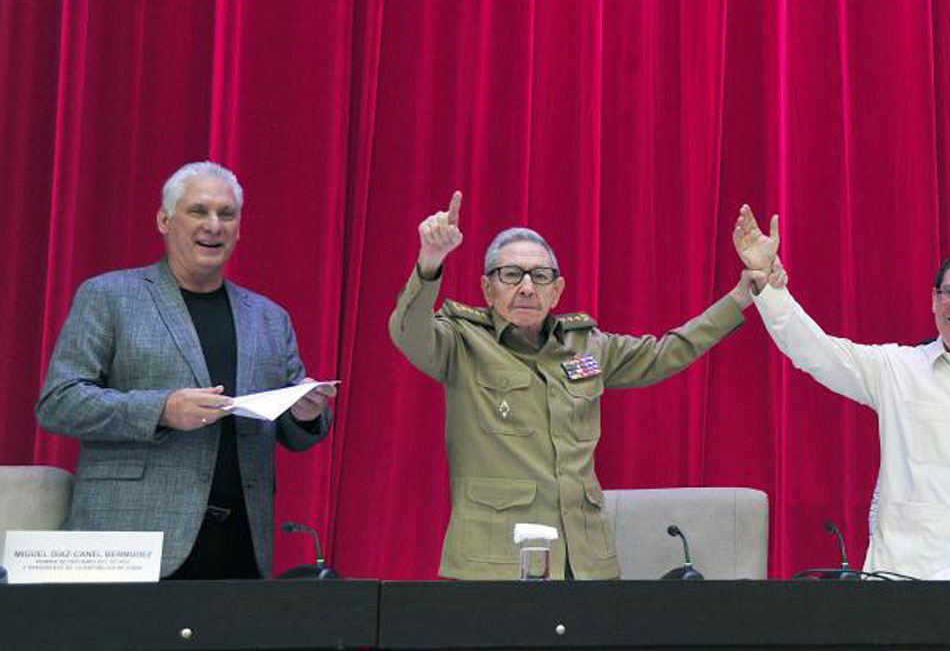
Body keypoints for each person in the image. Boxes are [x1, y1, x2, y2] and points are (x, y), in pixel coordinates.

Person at [389, 191, 756, 580]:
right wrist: (429, 262)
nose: (527, 287)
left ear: (556, 291)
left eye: (540, 276)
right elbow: (408, 331)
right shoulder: (461, 344)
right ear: (487, 288)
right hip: (494, 564)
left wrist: (740, 296)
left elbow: (666, 352)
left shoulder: (586, 344)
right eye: (511, 275)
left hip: (584, 562)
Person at [732, 204, 950, 579]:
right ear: (934, 300)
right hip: (906, 580)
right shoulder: (893, 369)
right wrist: (766, 283)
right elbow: (814, 350)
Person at [36, 161, 335, 579]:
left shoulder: (269, 317)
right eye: (198, 211)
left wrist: (305, 413)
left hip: (240, 545)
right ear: (164, 220)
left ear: (238, 227)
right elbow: (58, 402)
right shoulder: (109, 296)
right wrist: (161, 409)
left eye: (226, 214)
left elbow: (293, 430)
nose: (214, 225)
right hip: (132, 543)